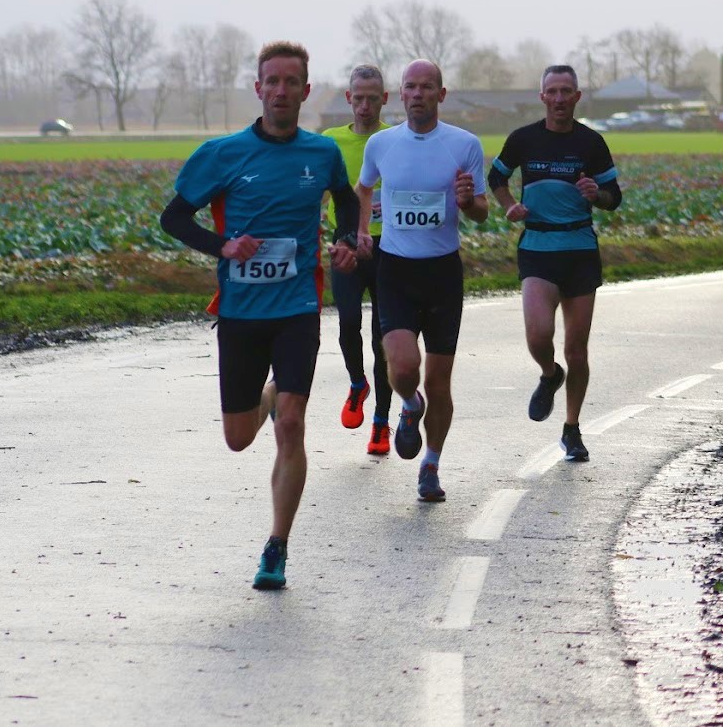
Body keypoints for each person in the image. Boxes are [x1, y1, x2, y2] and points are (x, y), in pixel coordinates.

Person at [159, 40, 360, 590]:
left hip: (298, 307)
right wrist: (222, 245)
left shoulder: (322, 154)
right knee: (238, 438)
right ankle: (266, 399)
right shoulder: (222, 153)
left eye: (291, 82)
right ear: (258, 89)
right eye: (272, 81)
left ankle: (277, 546)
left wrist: (346, 240)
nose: (280, 90)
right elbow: (173, 218)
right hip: (241, 312)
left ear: (305, 91)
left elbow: (346, 199)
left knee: (292, 424)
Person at [355, 59, 488, 502]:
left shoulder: (464, 145)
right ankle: (410, 406)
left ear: (440, 94)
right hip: (395, 270)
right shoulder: (381, 144)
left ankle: (430, 465)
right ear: (401, 93)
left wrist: (468, 203)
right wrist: (361, 231)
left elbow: (481, 211)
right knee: (403, 369)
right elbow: (364, 188)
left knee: (438, 382)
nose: (417, 94)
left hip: (443, 273)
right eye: (410, 87)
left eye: (426, 87)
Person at [487, 65, 621, 462]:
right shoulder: (523, 139)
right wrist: (510, 205)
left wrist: (597, 194)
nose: (560, 98)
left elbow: (614, 197)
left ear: (577, 96)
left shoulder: (591, 142)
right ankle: (550, 374)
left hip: (579, 250)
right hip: (538, 246)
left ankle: (572, 429)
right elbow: (496, 177)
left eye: (566, 91)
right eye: (553, 91)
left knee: (577, 349)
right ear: (542, 96)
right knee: (538, 335)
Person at [322, 65, 394, 454]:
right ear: (348, 98)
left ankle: (381, 423)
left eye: (373, 98)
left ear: (385, 99)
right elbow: (315, 196)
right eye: (359, 98)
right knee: (348, 321)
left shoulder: (396, 139)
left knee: (384, 338)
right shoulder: (330, 142)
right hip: (346, 244)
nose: (365, 105)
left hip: (390, 248)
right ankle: (356, 383)